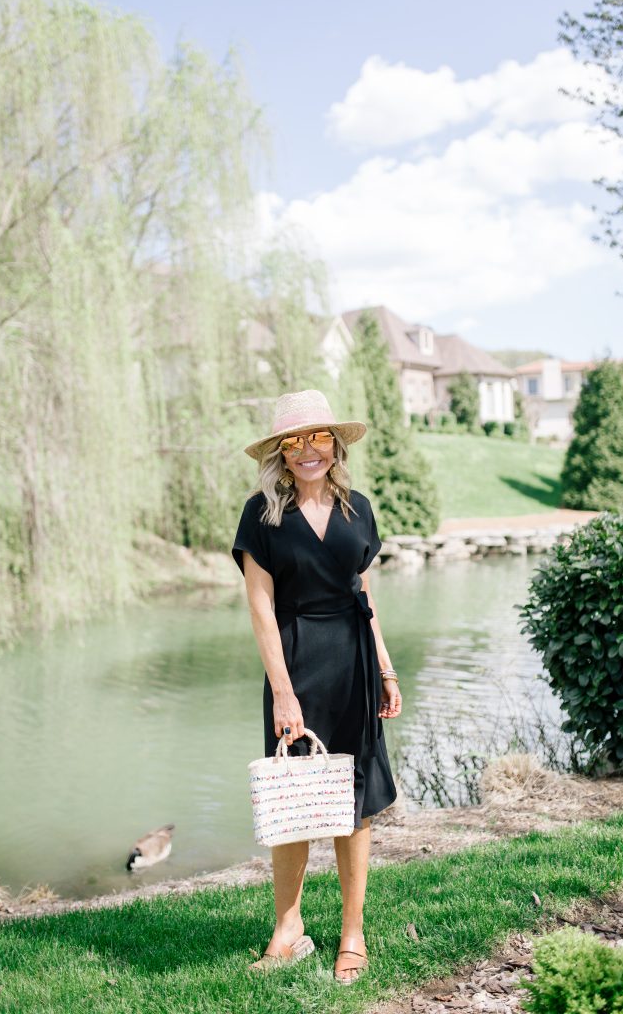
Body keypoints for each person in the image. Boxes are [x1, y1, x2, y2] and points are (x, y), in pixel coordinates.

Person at [231, 388, 403, 984]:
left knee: (355, 803)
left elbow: (363, 594)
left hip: (353, 661)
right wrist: (282, 690)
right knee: (294, 797)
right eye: (294, 440)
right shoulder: (262, 513)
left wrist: (384, 666)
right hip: (296, 660)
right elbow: (259, 606)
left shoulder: (359, 507)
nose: (308, 450)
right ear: (280, 451)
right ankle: (289, 928)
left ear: (334, 443)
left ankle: (352, 932)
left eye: (317, 437)